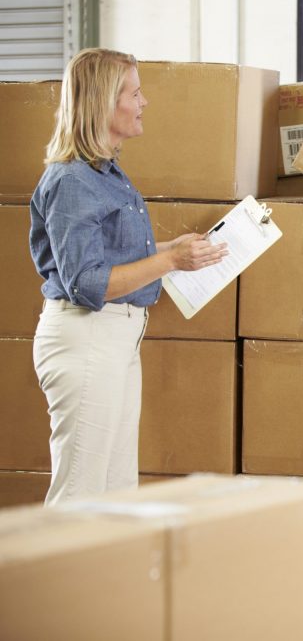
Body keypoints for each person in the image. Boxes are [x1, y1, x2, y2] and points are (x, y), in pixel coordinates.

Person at [30, 48, 228, 504]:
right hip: (87, 338)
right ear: (104, 103)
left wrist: (176, 250)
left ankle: (106, 577)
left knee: (116, 493)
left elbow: (114, 256)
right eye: (135, 93)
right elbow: (89, 282)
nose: (145, 102)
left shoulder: (107, 173)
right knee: (79, 495)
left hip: (116, 338)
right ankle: (62, 577)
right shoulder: (71, 181)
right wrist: (171, 261)